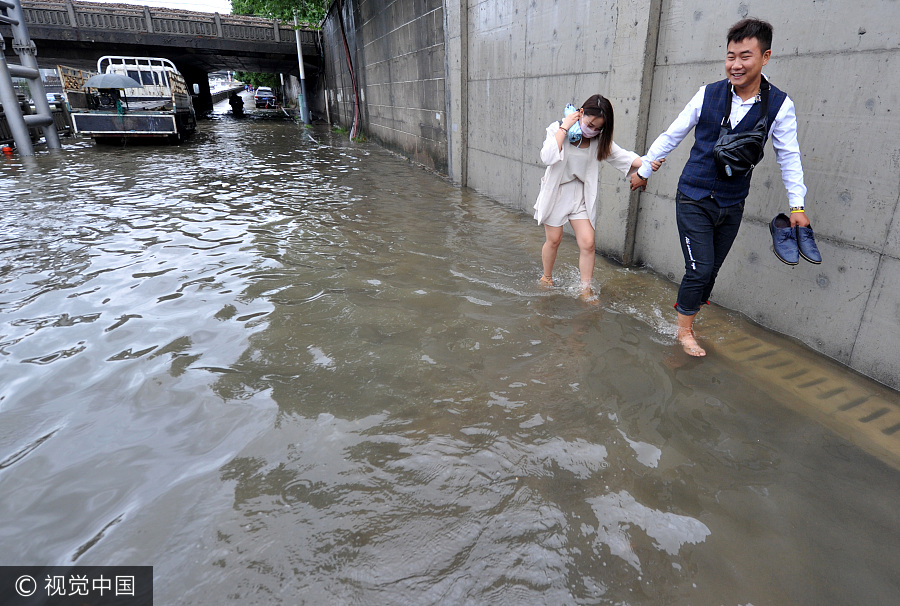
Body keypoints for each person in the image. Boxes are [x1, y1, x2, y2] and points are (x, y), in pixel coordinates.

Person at [630, 18, 810, 357]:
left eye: (745, 56)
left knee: (709, 272)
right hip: (694, 196)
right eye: (730, 56)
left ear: (765, 57)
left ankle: (685, 315)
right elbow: (673, 133)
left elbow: (790, 158)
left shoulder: (780, 105)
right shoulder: (708, 94)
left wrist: (797, 207)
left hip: (732, 203)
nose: (735, 65)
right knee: (698, 269)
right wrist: (645, 168)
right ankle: (683, 332)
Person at [535, 94, 662, 298]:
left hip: (582, 195)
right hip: (558, 192)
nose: (592, 130)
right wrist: (564, 127)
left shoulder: (599, 141)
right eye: (590, 124)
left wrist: (648, 163)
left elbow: (624, 156)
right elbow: (547, 156)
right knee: (554, 239)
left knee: (588, 242)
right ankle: (547, 277)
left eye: (597, 128)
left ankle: (585, 289)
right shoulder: (558, 129)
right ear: (582, 113)